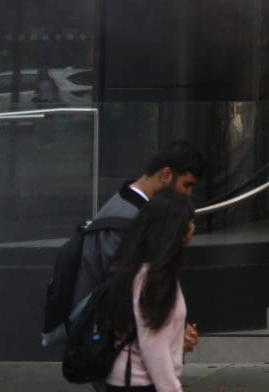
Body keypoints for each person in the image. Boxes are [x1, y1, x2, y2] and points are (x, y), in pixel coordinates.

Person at [72, 141, 206, 334]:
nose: (189, 194)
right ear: (166, 175)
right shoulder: (126, 218)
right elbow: (125, 290)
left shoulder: (132, 209)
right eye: (187, 185)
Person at [99, 190, 198, 392]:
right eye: (188, 221)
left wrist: (178, 339)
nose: (192, 227)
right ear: (173, 229)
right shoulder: (152, 277)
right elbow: (153, 344)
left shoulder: (137, 268)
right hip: (140, 383)